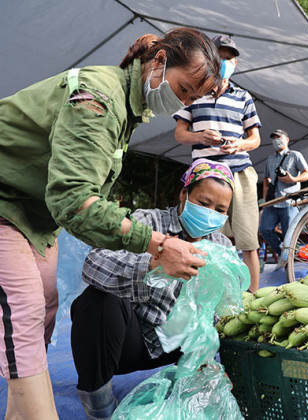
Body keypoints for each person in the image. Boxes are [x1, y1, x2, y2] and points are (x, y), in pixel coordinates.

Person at [0, 28, 221, 419]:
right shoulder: (99, 100)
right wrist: (156, 248)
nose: (182, 102)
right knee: (25, 314)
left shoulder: (126, 112)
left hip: (35, 219)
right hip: (6, 205)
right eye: (183, 89)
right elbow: (75, 200)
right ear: (158, 62)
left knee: (42, 318)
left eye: (192, 99)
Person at [70, 159, 234, 419]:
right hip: (131, 341)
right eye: (204, 203)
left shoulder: (222, 247)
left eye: (220, 209)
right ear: (184, 194)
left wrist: (214, 364)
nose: (211, 213)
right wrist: (154, 262)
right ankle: (100, 408)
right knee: (97, 300)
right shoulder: (147, 223)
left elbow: (225, 309)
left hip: (183, 347)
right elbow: (95, 264)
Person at [173, 35, 262, 291]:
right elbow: (180, 134)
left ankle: (254, 300)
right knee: (205, 240)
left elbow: (254, 139)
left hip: (240, 173)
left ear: (235, 63)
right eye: (220, 57)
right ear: (210, 59)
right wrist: (199, 136)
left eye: (229, 58)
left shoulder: (244, 97)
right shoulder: (194, 93)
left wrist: (239, 144)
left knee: (248, 241)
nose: (224, 62)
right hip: (205, 175)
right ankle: (207, 298)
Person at [260, 129, 308, 256]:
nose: (276, 140)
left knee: (289, 233)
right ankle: (282, 254)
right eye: (274, 138)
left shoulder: (295, 155)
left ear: (287, 139)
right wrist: (266, 196)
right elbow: (266, 178)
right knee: (265, 229)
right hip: (273, 201)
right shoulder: (270, 159)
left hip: (289, 201)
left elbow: (307, 174)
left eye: (279, 137)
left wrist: (293, 179)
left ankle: (291, 258)